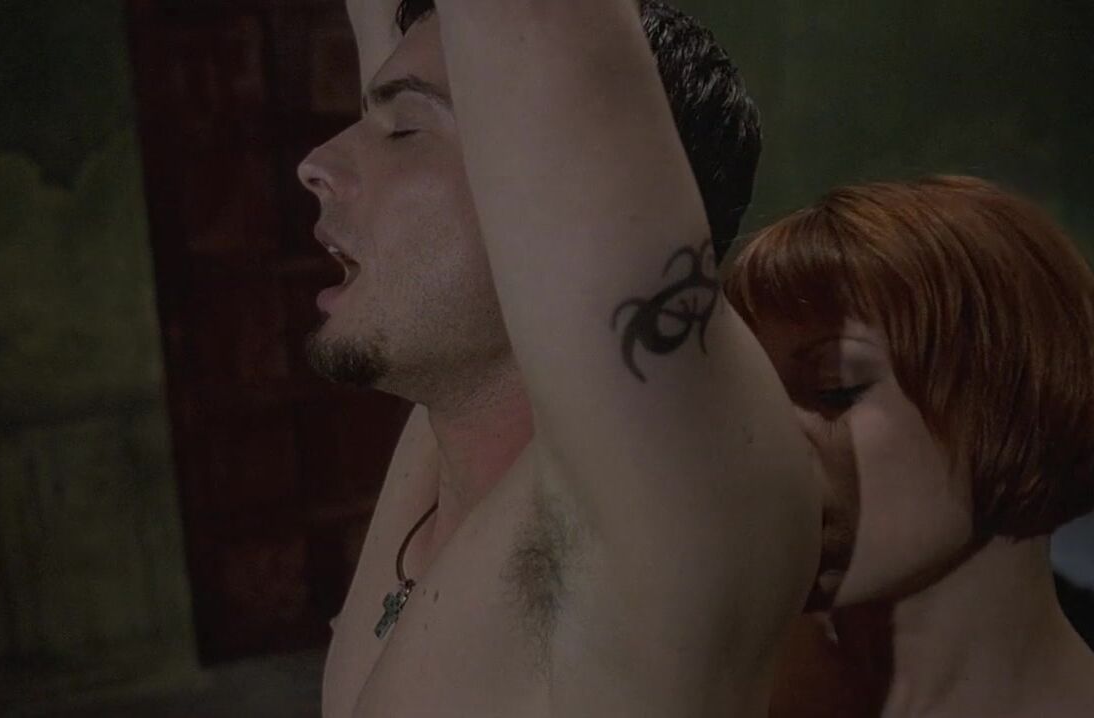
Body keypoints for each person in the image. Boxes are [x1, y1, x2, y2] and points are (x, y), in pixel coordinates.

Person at [297, 0, 839, 716]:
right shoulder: (452, 432)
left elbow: (535, 25)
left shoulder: (645, 494)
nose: (315, 164)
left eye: (405, 130)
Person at [727, 175, 1094, 717]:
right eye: (759, 395)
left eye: (836, 389)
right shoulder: (728, 658)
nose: (765, 439)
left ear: (1013, 399)